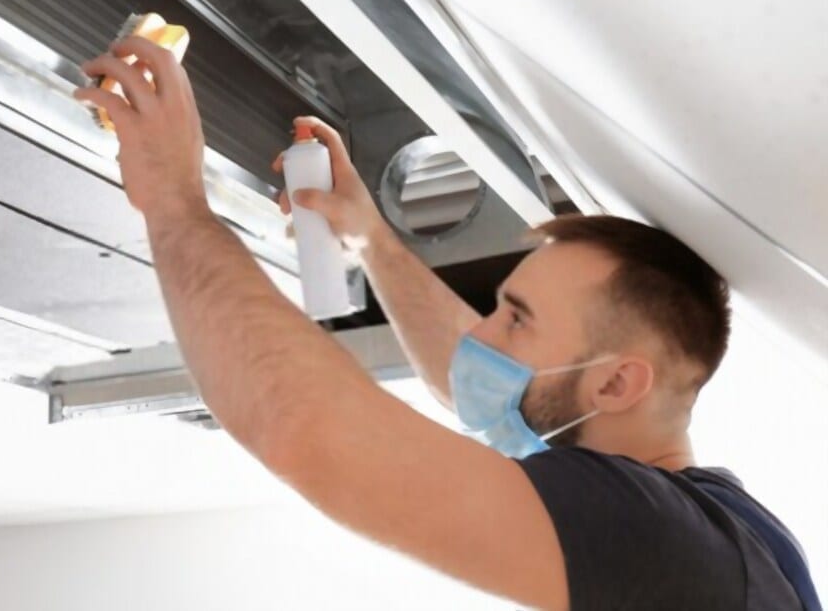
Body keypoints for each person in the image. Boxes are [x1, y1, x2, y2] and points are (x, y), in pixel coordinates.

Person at [75, 37, 818, 610]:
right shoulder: (721, 531)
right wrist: (364, 232)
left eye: (516, 321)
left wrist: (174, 200)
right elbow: (481, 384)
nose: (482, 337)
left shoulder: (658, 535)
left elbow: (310, 432)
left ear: (618, 382)